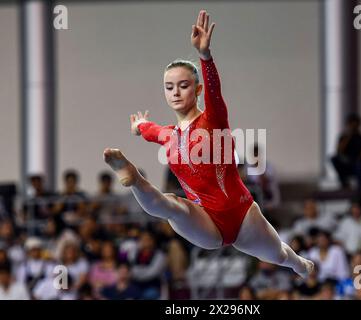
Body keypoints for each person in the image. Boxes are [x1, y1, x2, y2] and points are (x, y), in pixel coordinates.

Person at [103, 10, 313, 278]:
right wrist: (139, 127)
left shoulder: (212, 119)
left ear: (197, 89)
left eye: (183, 85)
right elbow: (151, 130)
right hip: (203, 221)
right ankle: (134, 179)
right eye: (169, 87)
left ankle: (299, 264)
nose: (176, 92)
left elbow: (215, 92)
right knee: (170, 206)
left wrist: (205, 56)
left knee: (280, 255)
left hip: (242, 215)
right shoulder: (168, 134)